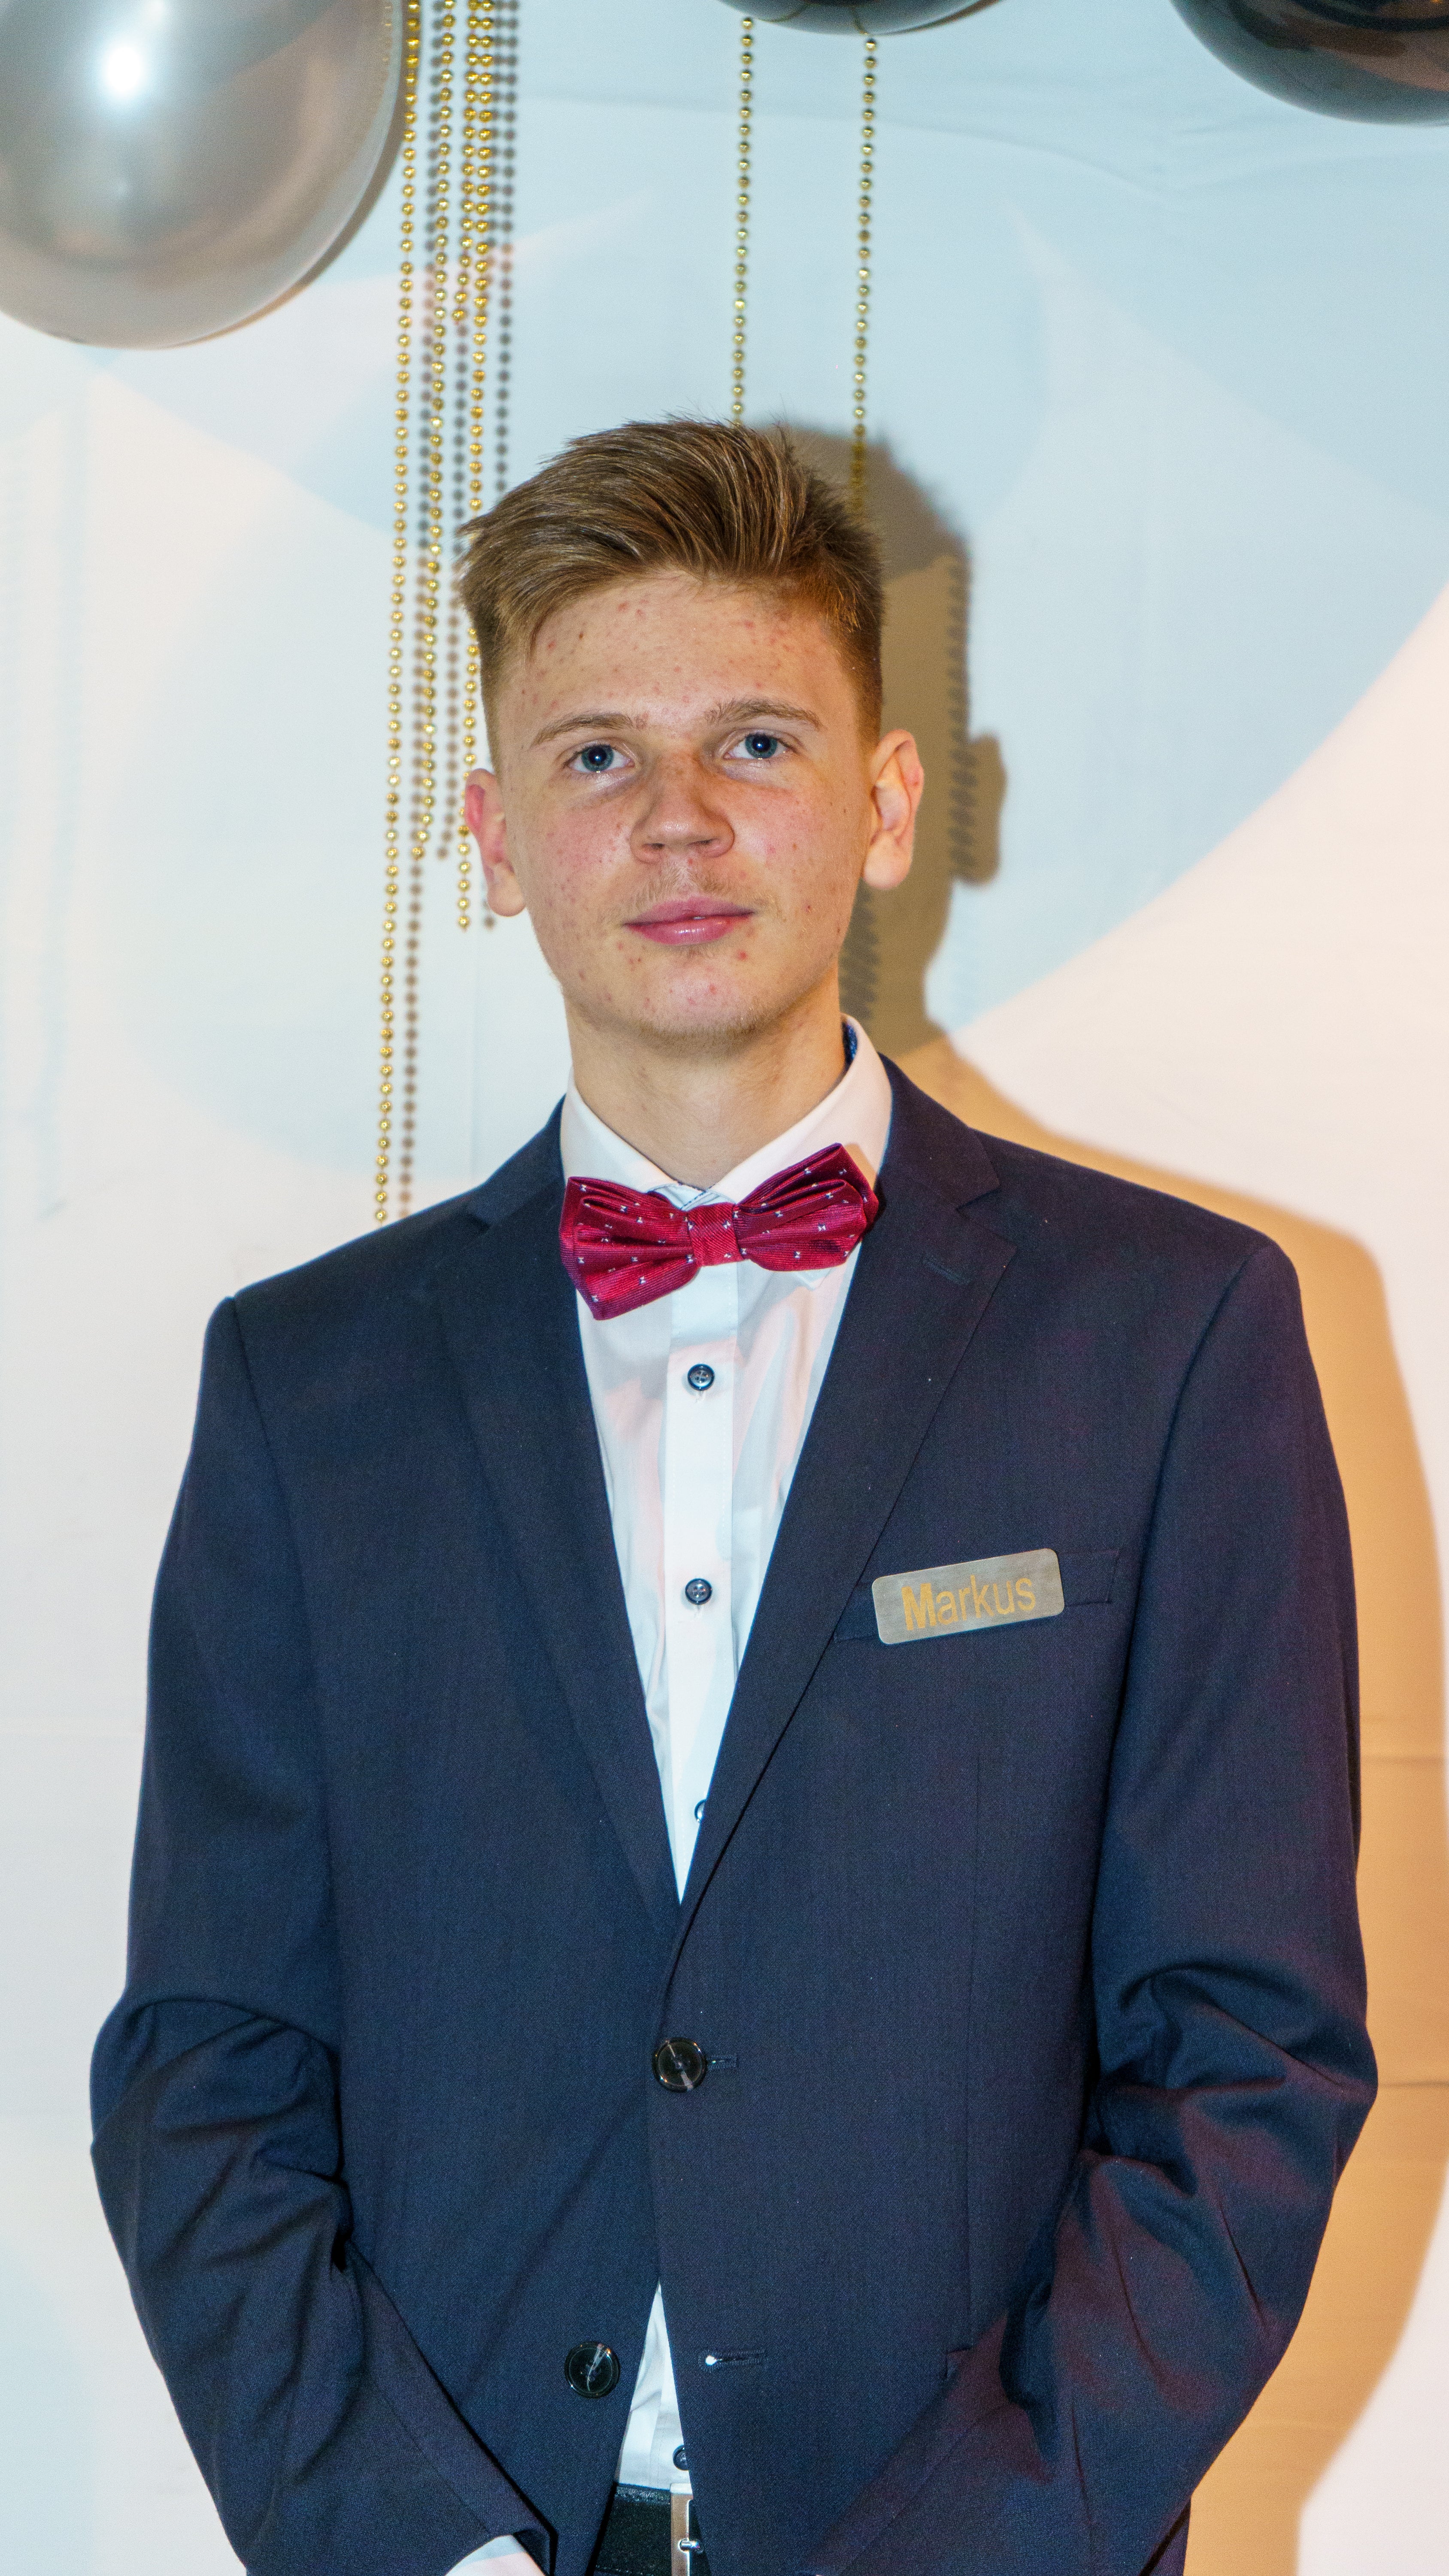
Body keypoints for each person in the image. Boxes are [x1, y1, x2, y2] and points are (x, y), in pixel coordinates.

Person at [91, 419, 1374, 2576]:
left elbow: (1246, 2061)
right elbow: (206, 2068)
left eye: (755, 741)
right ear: (496, 838)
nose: (678, 817)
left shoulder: (1171, 1338)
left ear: (886, 803)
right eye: (596, 756)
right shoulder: (305, 1389)